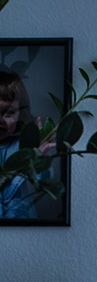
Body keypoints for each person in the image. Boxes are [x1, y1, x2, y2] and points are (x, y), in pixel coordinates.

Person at [0, 70, 52, 219]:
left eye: (8, 112)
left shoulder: (23, 146)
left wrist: (40, 158)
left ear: (20, 114)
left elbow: (44, 183)